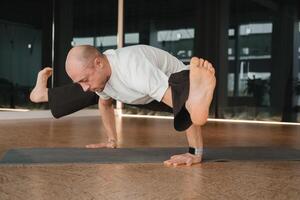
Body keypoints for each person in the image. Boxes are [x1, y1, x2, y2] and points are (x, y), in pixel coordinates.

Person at [30, 44, 216, 167]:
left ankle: (195, 91)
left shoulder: (132, 68)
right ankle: (44, 94)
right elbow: (105, 104)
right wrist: (112, 140)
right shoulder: (101, 75)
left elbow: (180, 106)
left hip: (175, 83)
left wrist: (195, 153)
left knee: (187, 101)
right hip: (144, 94)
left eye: (84, 78)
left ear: (98, 63)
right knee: (90, 90)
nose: (86, 85)